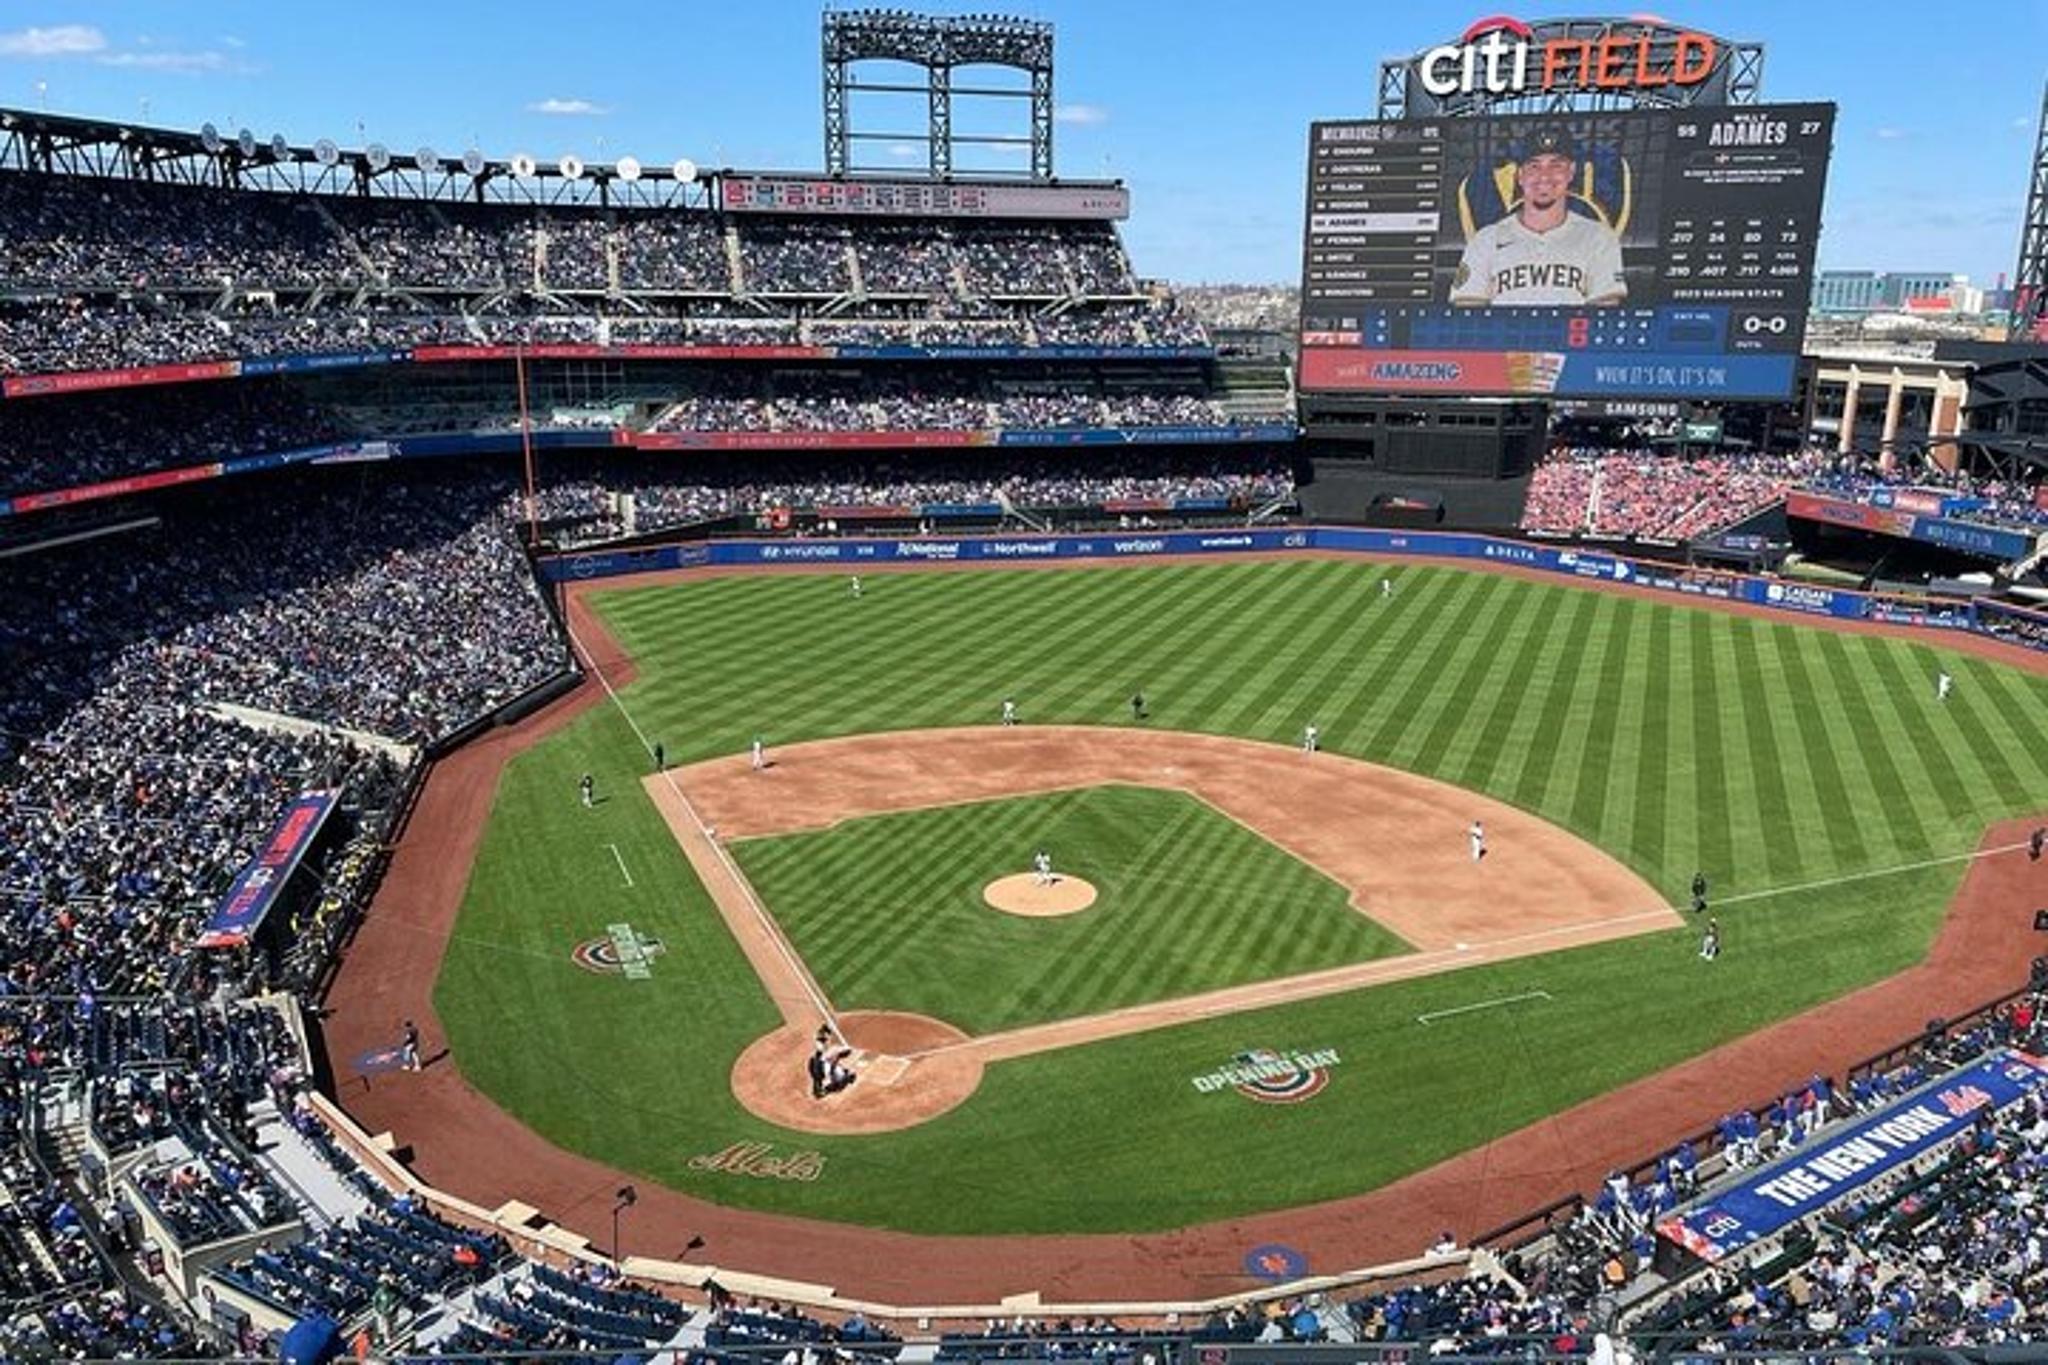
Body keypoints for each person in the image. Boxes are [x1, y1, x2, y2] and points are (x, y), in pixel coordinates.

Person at [1451, 128, 1626, 307]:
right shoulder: (1486, 239)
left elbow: (1605, 313)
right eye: (1534, 166)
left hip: (1569, 335)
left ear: (1571, 172)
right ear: (1520, 175)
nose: (1544, 176)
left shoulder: (1598, 236)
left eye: (1556, 165)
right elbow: (1467, 310)